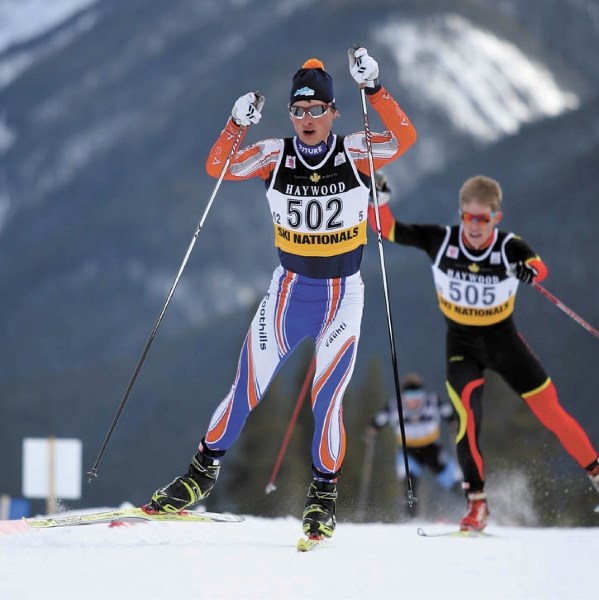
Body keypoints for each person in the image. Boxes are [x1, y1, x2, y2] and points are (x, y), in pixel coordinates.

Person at [143, 48, 417, 541]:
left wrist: (374, 87)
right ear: (290, 113)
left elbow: (405, 137)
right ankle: (200, 475)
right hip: (289, 294)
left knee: (325, 399)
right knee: (246, 388)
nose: (307, 119)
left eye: (317, 110)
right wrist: (234, 123)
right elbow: (218, 168)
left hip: (341, 297)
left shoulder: (356, 150)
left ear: (334, 111)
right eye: (298, 110)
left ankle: (323, 497)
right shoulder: (275, 154)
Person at [368, 171, 599, 531]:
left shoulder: (508, 246)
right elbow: (390, 230)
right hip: (462, 347)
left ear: (496, 218)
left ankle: (596, 472)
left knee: (551, 411)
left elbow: (538, 267)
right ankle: (477, 505)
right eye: (467, 217)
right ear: (460, 214)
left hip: (504, 343)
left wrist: (527, 271)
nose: (474, 226)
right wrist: (378, 201)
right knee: (467, 422)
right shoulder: (441, 240)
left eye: (483, 218)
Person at [366, 372, 462, 516]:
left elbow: (449, 414)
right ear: (403, 396)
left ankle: (472, 507)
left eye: (417, 395)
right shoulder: (394, 406)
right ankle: (411, 518)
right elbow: (379, 419)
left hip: (431, 449)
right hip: (408, 451)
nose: (414, 401)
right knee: (409, 484)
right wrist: (373, 429)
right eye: (410, 396)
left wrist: (454, 423)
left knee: (452, 481)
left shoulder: (433, 402)